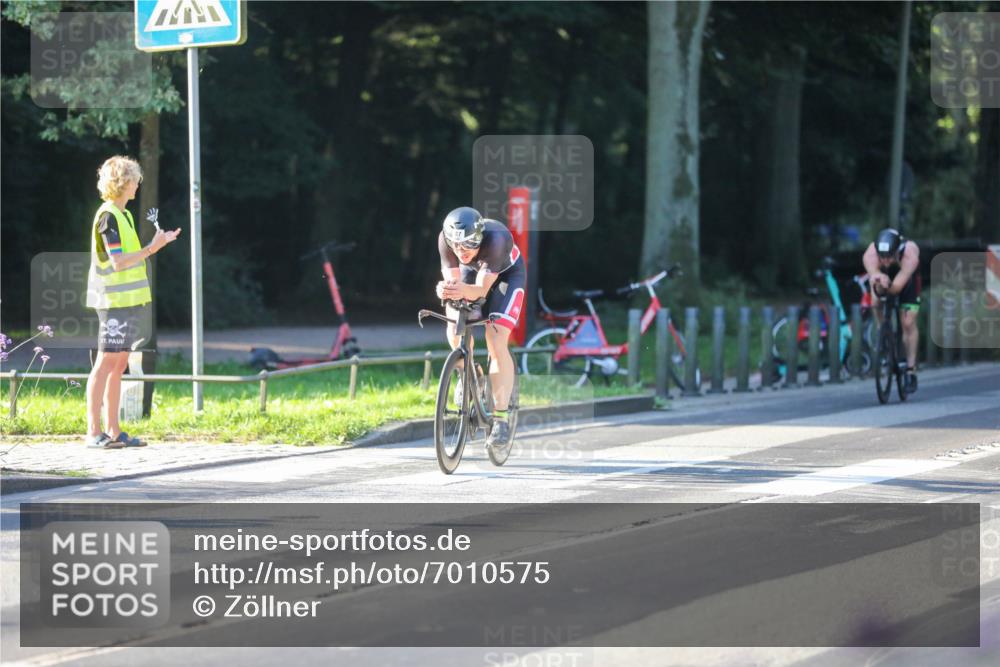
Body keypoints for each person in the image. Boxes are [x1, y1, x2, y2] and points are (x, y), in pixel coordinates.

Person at [84, 156, 180, 449]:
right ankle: (93, 432)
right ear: (123, 182)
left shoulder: (123, 215)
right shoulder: (108, 216)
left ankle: (114, 431)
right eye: (135, 178)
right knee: (105, 363)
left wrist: (154, 243)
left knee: (119, 364)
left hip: (129, 302)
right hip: (113, 302)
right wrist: (152, 248)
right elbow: (118, 262)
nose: (139, 183)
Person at [436, 207, 525, 448]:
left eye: (467, 246)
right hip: (473, 273)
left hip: (506, 277)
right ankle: (471, 372)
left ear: (479, 239)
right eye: (456, 246)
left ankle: (501, 419)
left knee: (495, 339)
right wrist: (445, 290)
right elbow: (454, 283)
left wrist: (455, 290)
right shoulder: (446, 239)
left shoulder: (497, 238)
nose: (461, 251)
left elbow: (480, 291)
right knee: (454, 318)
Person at [862, 228, 921, 392]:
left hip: (906, 278)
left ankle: (911, 369)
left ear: (897, 251)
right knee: (875, 300)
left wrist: (889, 285)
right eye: (883, 257)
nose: (886, 261)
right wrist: (879, 283)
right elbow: (875, 279)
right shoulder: (870, 255)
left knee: (908, 322)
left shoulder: (910, 254)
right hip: (883, 277)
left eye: (889, 257)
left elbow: (895, 289)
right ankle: (883, 330)